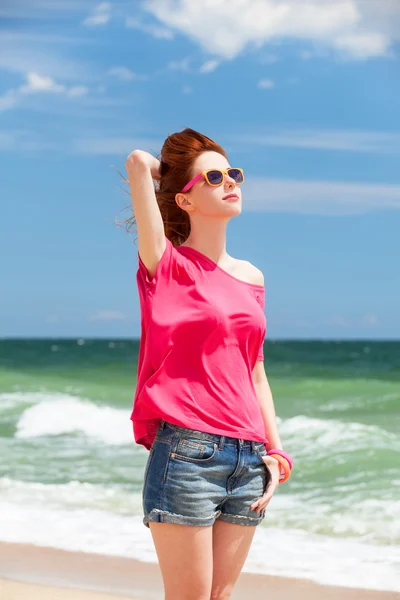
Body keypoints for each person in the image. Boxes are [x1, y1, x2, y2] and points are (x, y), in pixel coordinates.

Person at [124, 128, 293, 600]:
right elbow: (139, 161)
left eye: (233, 173)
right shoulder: (167, 265)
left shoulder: (252, 276)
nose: (230, 182)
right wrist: (175, 175)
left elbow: (254, 368)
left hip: (249, 457)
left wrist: (276, 452)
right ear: (185, 200)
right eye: (215, 177)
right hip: (187, 454)